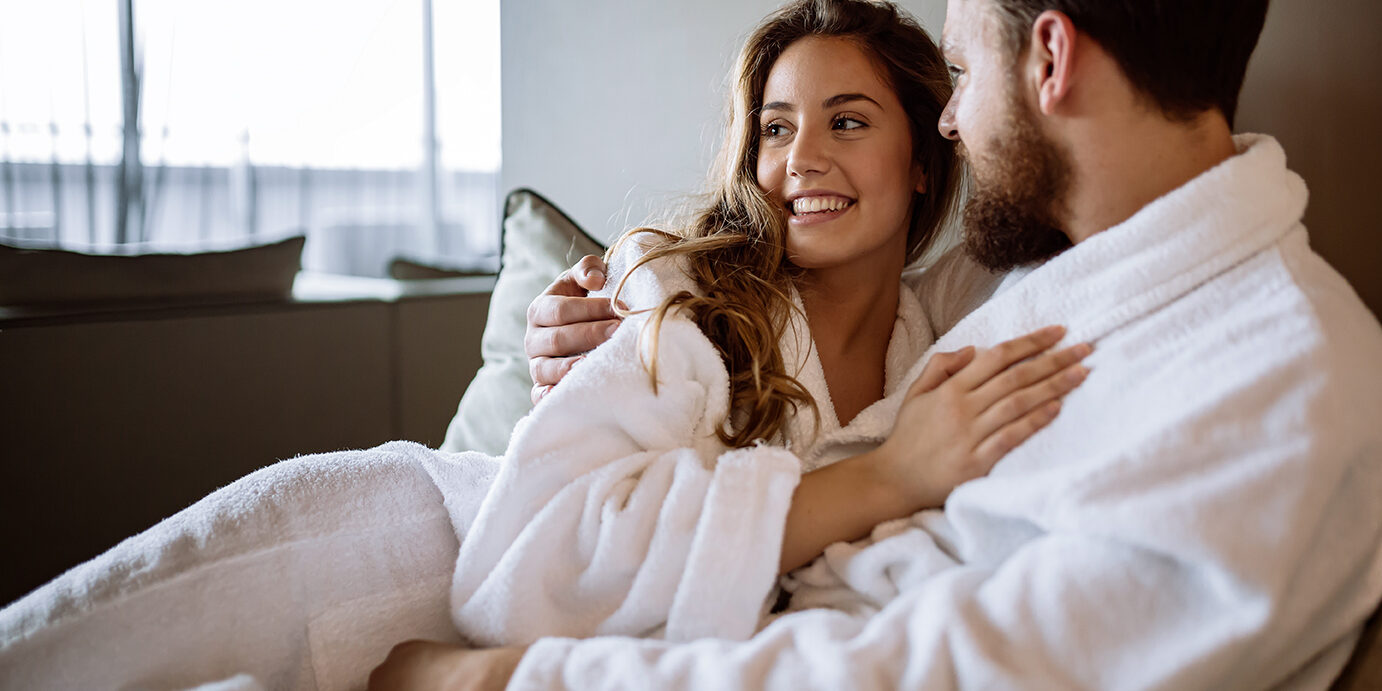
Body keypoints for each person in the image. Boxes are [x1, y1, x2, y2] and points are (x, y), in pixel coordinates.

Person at [0, 1, 1086, 688]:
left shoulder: (937, 325)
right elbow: (540, 563)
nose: (800, 156)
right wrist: (891, 475)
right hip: (388, 545)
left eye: (847, 121)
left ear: (923, 163)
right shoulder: (683, 296)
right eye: (773, 123)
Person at [373, 0, 1382, 688]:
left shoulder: (1283, 393)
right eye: (774, 128)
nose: (951, 118)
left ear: (1047, 57)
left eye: (959, 70)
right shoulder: (1067, 268)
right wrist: (569, 336)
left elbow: (929, 671)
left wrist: (513, 678)